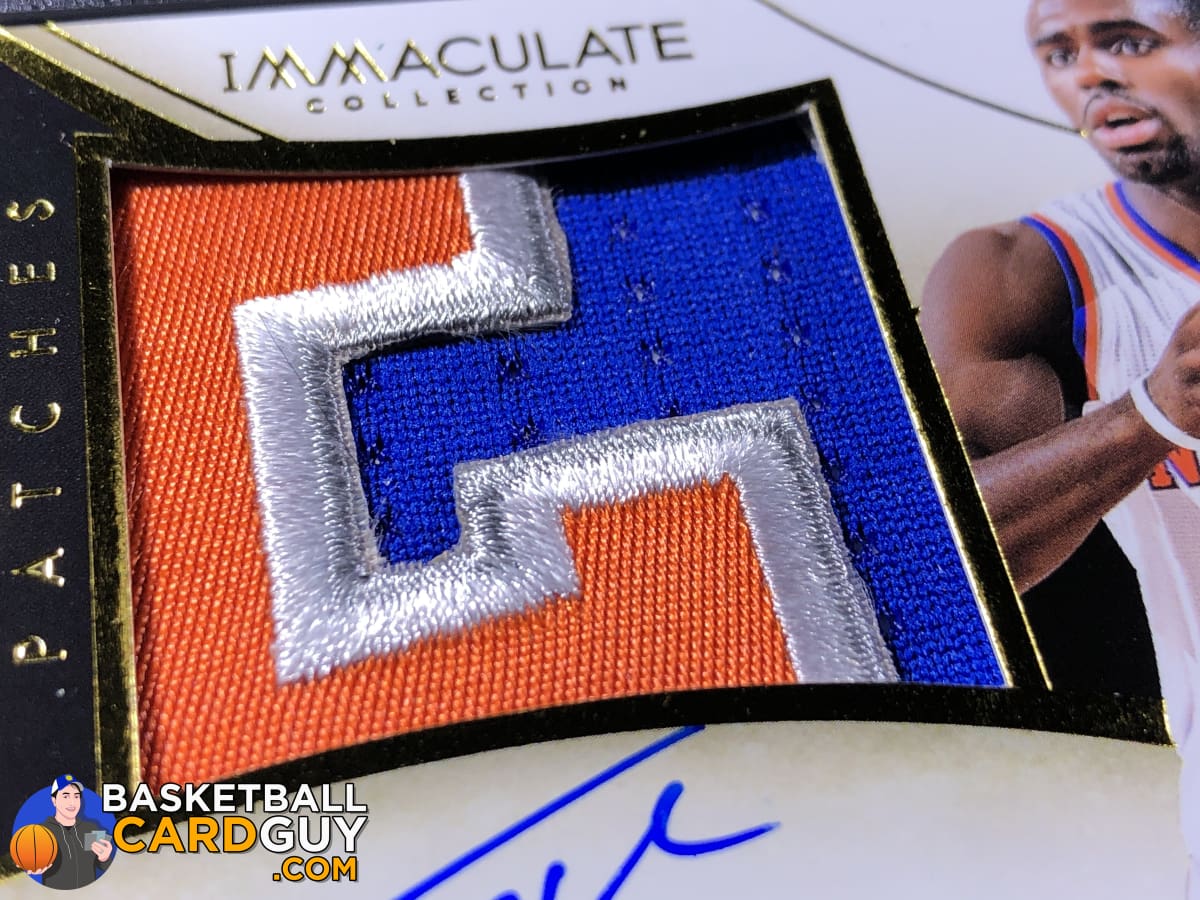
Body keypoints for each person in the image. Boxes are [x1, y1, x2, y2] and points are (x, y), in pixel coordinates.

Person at [921, 0, 1200, 892]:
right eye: (1058, 53)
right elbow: (948, 568)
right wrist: (1151, 414)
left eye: (1127, 42)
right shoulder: (1024, 271)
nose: (1090, 74)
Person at [29, 776, 114, 889]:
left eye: (76, 796)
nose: (72, 802)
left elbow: (105, 868)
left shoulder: (92, 829)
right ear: (54, 800)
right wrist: (32, 868)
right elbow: (28, 861)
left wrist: (105, 859)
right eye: (66, 796)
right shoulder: (41, 832)